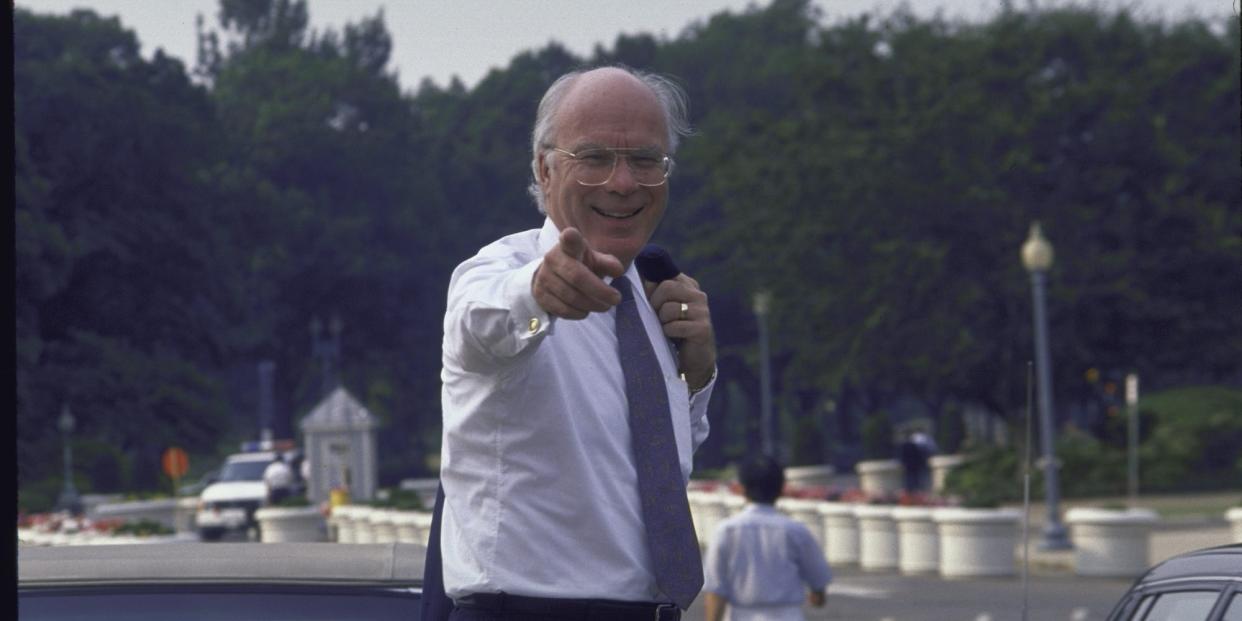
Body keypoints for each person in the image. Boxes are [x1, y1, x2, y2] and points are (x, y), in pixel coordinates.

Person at [433, 65, 717, 621]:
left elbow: (635, 466)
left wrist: (697, 377)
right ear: (543, 169)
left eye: (645, 160)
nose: (623, 183)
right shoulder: (499, 270)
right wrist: (537, 293)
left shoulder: (646, 295)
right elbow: (479, 326)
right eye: (594, 159)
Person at [703, 456, 831, 621]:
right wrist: (817, 595)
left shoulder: (726, 531)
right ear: (781, 488)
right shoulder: (796, 531)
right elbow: (818, 584)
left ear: (741, 488)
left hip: (741, 614)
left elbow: (715, 590)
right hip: (788, 615)